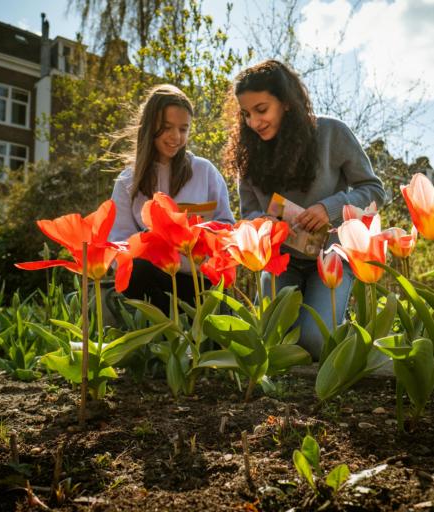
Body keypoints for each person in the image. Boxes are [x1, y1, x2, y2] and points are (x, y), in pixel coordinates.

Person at [225, 60, 386, 360]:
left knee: (314, 341)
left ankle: (346, 331)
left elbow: (375, 190)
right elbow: (247, 215)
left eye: (262, 110)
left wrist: (329, 208)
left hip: (331, 258)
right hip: (280, 263)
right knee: (272, 340)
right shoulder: (248, 155)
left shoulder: (332, 133)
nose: (254, 122)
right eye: (246, 114)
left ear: (286, 103)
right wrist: (261, 222)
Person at [109, 84, 234, 314]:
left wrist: (204, 235)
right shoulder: (128, 180)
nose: (176, 137)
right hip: (155, 282)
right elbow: (118, 244)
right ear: (150, 127)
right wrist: (150, 243)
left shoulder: (204, 171)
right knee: (136, 270)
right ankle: (169, 337)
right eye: (167, 127)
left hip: (199, 281)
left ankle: (191, 334)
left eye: (183, 129)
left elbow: (228, 226)